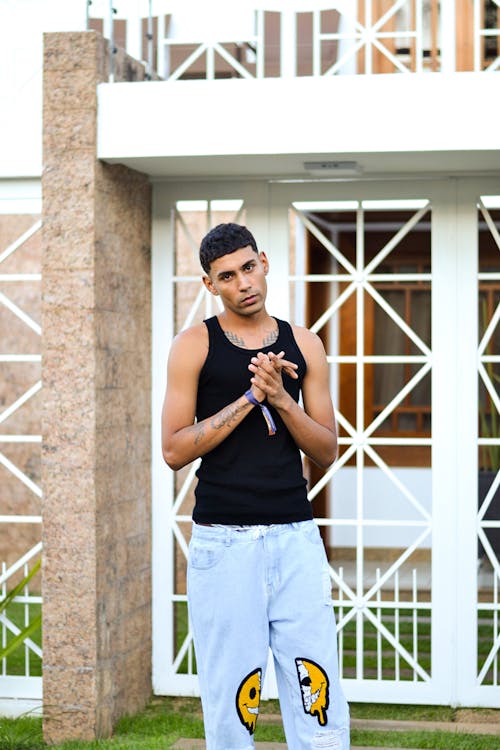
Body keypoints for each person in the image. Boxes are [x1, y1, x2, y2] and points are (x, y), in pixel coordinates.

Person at [161, 223, 350, 750]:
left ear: (264, 262)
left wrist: (281, 398)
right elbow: (173, 450)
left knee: (317, 690)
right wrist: (249, 398)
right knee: (232, 699)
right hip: (223, 542)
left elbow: (327, 448)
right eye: (227, 275)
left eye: (248, 267)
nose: (243, 282)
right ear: (209, 284)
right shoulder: (193, 345)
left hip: (295, 536)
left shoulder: (305, 343)